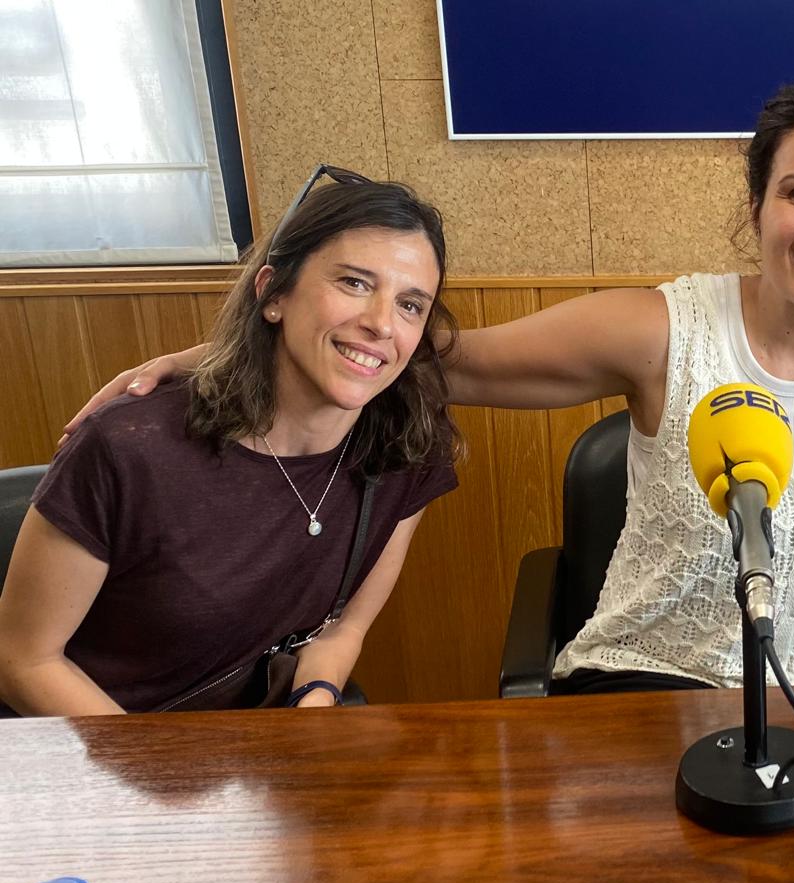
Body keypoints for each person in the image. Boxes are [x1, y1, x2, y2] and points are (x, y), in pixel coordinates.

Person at [58, 79, 794, 694]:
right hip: (654, 685)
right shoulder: (664, 328)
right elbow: (432, 355)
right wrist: (222, 349)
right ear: (757, 204)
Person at [0, 168, 459, 715]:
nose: (382, 324)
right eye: (354, 283)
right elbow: (23, 661)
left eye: (410, 304)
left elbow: (342, 629)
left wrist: (313, 701)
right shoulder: (127, 448)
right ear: (273, 294)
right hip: (98, 744)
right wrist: (154, 768)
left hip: (253, 742)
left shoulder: (404, 449)